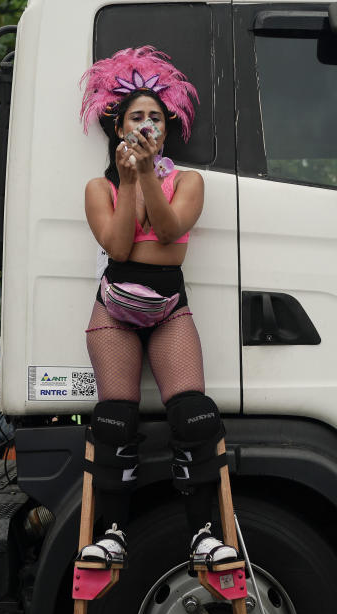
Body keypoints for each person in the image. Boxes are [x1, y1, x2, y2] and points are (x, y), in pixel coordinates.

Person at [76, 46, 236, 569]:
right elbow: (120, 250)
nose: (147, 123)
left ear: (168, 128)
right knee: (115, 420)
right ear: (118, 126)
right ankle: (112, 534)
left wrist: (146, 177)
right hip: (114, 306)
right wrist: (126, 181)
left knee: (194, 415)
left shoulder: (186, 181)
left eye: (156, 117)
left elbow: (169, 231)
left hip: (169, 305)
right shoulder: (99, 187)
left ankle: (205, 535)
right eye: (136, 116)